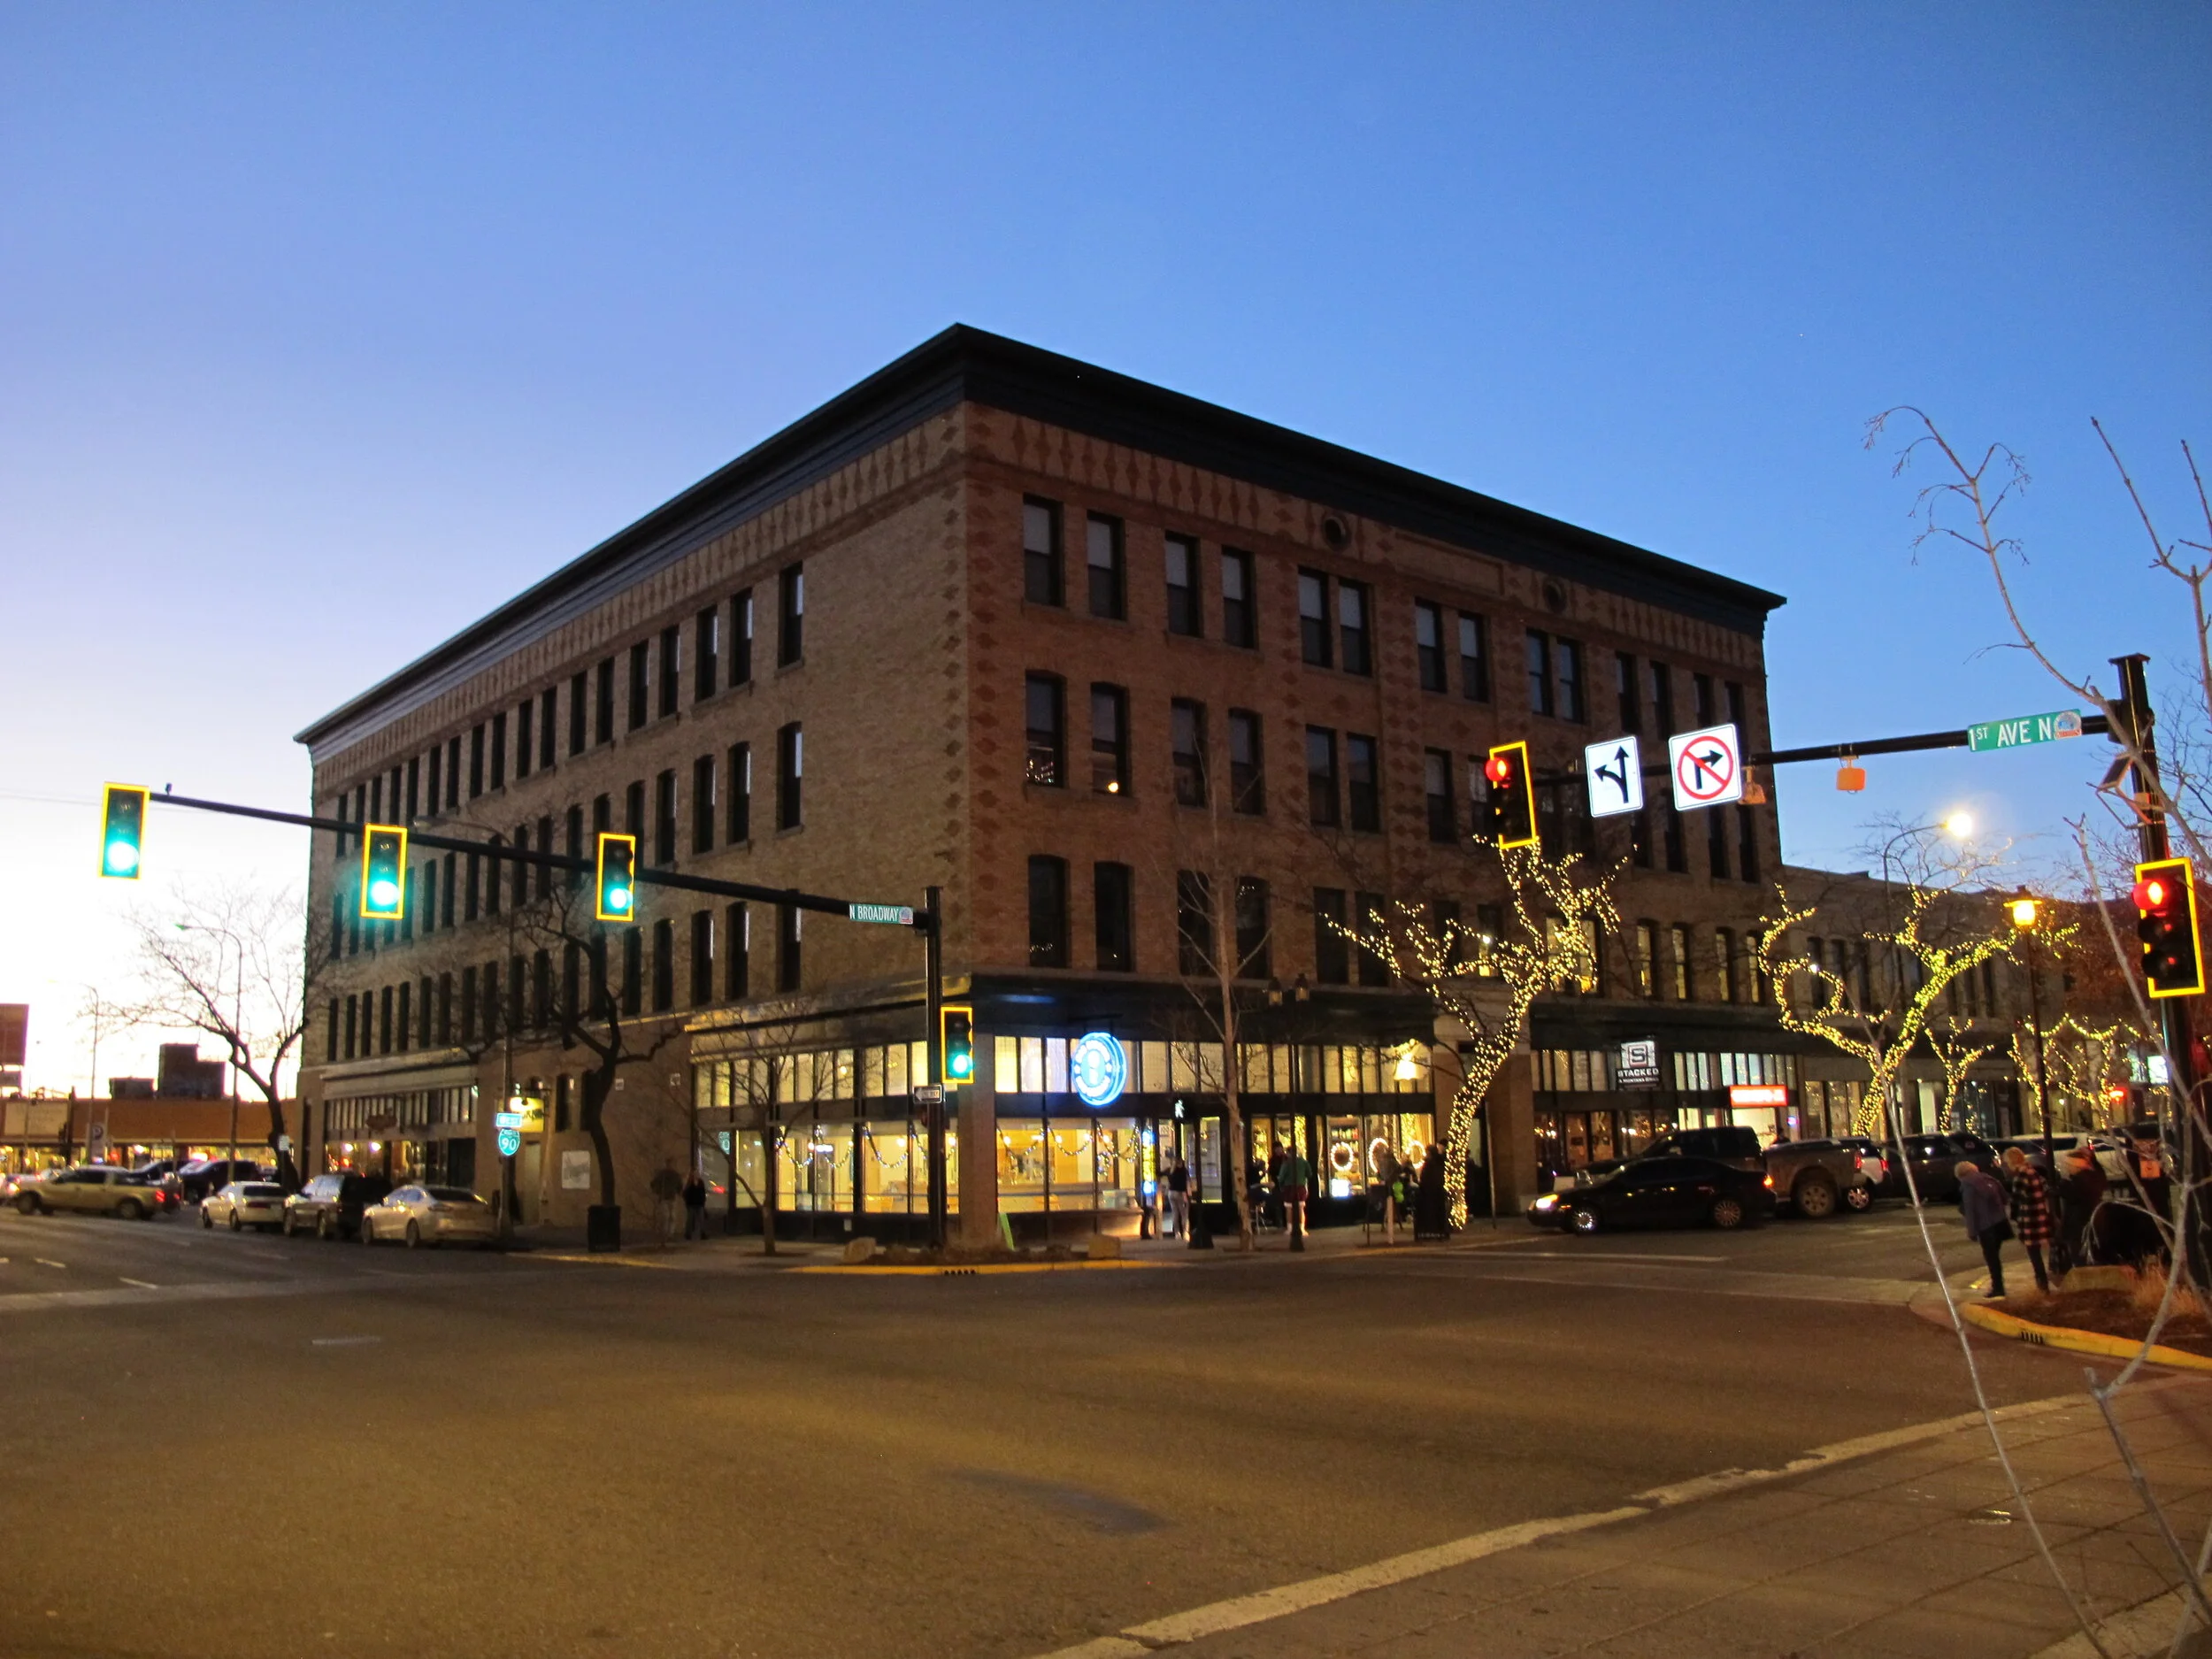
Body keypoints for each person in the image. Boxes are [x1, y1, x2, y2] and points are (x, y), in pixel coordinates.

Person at [1999, 1147, 2055, 1294]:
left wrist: (2014, 1216)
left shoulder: (2021, 1176)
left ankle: (2042, 1286)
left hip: (2030, 1218)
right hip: (2040, 1214)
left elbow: (2016, 1200)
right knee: (2038, 1252)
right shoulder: (2033, 1172)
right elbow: (2045, 1189)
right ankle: (2043, 1284)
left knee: (2034, 1254)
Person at [1956, 1159, 2013, 1298]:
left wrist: (1972, 1231)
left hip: (1985, 1226)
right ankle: (1998, 1285)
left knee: (1991, 1258)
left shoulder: (1968, 1185)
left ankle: (1998, 1287)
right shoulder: (1990, 1179)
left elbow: (1970, 1210)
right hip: (2000, 1223)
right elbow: (2005, 1199)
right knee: (1995, 1256)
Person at [2055, 1144, 2107, 1274]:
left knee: (2081, 1261)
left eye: (2068, 1165)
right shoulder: (2093, 1177)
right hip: (2092, 1224)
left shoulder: (2078, 1181)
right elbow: (2101, 1174)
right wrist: (2093, 1159)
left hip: (2078, 1227)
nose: (2066, 1168)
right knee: (2093, 1258)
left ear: (2075, 1165)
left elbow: (2073, 1197)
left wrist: (2062, 1184)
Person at [1414, 1144, 1450, 1241]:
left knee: (1430, 1213)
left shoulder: (1430, 1164)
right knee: (1437, 1213)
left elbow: (1426, 1178)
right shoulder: (1439, 1163)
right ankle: (1438, 1233)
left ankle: (1430, 1233)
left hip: (1429, 1192)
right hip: (1436, 1191)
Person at [1277, 1140, 1311, 1244]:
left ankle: (1290, 1228)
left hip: (1288, 1187)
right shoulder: (1304, 1162)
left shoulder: (1286, 1163)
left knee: (1289, 1208)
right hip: (1301, 1186)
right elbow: (1309, 1174)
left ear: (1288, 1153)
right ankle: (1302, 1228)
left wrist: (1280, 1183)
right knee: (1301, 1207)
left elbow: (1281, 1177)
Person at [649, 1158, 683, 1246]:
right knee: (666, 1216)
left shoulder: (674, 1175)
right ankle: (665, 1234)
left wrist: (678, 1192)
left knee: (672, 1216)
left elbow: (679, 1185)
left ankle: (669, 1234)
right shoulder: (662, 1174)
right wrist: (658, 1192)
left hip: (671, 1197)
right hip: (664, 1197)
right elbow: (653, 1183)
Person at [1373, 1142, 1402, 1244]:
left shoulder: (1381, 1163)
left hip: (1384, 1186)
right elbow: (1400, 1169)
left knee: (1387, 1203)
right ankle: (1392, 1218)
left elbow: (1378, 1174)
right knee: (1393, 1202)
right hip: (1393, 1185)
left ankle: (1387, 1220)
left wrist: (1382, 1179)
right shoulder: (1393, 1162)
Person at [1165, 1155, 1189, 1240]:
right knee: (1184, 1214)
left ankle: (1177, 1233)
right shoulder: (1183, 1171)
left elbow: (1161, 1173)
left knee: (1175, 1213)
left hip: (1171, 1193)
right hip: (1180, 1193)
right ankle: (1185, 1232)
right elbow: (1184, 1184)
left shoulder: (1171, 1171)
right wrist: (1186, 1195)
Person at [682, 1167, 709, 1240]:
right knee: (690, 1220)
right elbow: (685, 1193)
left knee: (701, 1219)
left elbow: (703, 1193)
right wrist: (687, 1202)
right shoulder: (689, 1183)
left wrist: (703, 1201)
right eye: (695, 1173)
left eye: (697, 1173)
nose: (696, 1175)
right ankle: (688, 1234)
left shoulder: (701, 1182)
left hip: (699, 1204)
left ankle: (703, 1234)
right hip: (691, 1204)